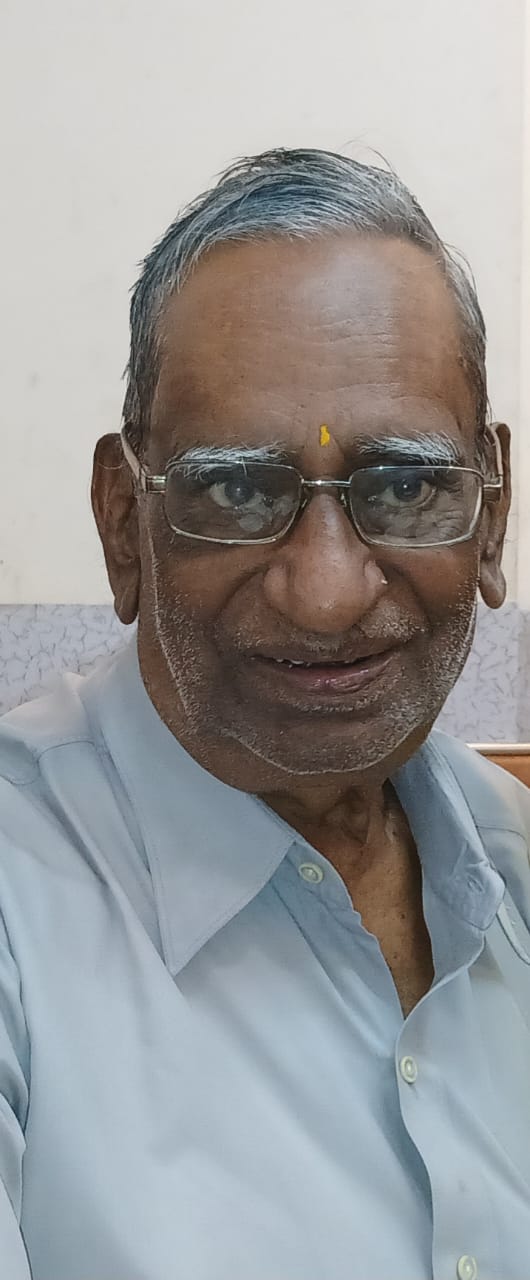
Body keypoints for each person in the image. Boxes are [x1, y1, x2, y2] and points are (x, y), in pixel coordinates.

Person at [1, 148, 529, 1280]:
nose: (326, 591)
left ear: (490, 516)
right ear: (121, 522)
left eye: (404, 486)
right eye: (236, 489)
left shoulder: (511, 859)